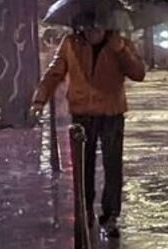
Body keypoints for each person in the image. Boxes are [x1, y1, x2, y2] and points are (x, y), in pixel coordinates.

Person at [32, 17, 146, 231]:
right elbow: (54, 73)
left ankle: (110, 214)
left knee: (113, 165)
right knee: (83, 166)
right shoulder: (71, 43)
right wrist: (39, 100)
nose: (94, 30)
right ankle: (84, 211)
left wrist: (121, 50)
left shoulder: (119, 43)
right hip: (82, 113)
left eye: (99, 26)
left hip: (112, 112)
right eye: (90, 26)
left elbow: (138, 73)